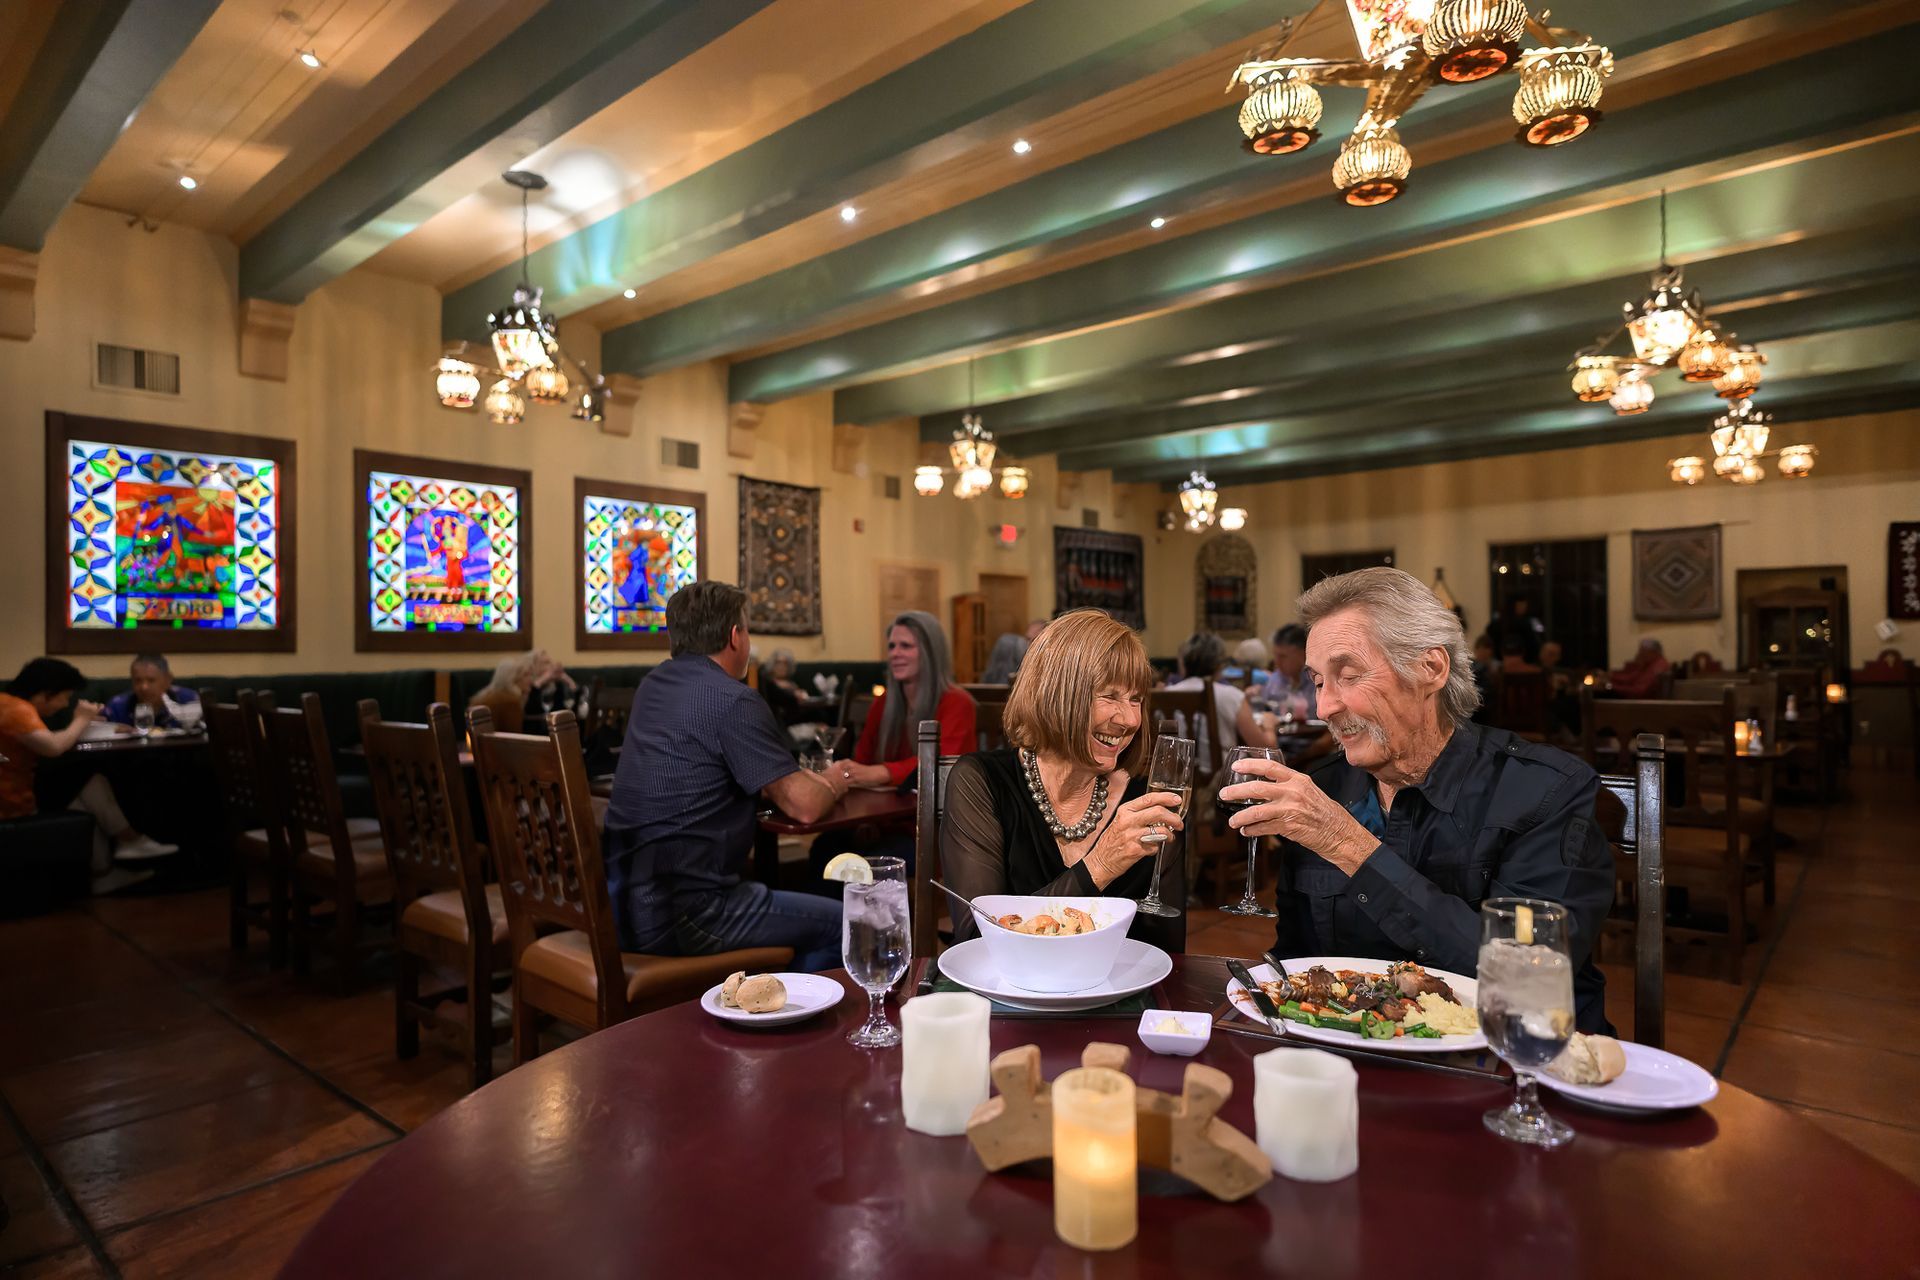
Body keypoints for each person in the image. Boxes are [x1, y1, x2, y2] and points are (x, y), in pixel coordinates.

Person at [1220, 568, 1615, 1033]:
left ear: (1430, 669)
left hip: (1509, 1069)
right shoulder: (1321, 792)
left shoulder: (1546, 792)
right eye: (1318, 682)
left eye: (1348, 676)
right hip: (1349, 1063)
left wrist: (1347, 844)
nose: (1325, 707)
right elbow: (1297, 964)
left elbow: (1526, 979)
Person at [600, 581, 851, 971]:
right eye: (747, 629)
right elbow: (804, 807)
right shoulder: (733, 699)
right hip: (685, 915)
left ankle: (757, 1004)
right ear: (735, 636)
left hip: (619, 908)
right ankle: (782, 1024)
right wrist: (838, 778)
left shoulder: (652, 686)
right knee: (847, 926)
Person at [942, 609, 1188, 952]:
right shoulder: (981, 783)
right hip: (1013, 1001)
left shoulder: (1146, 800)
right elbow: (977, 941)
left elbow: (1169, 953)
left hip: (1123, 1000)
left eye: (1136, 699)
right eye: (1110, 696)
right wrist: (1099, 865)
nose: (1131, 719)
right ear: (1057, 695)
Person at [0, 658, 177, 894]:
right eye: (65, 697)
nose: (64, 705)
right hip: (11, 804)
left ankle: (104, 873)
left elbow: (43, 741)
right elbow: (53, 747)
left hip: (17, 796)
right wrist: (81, 719)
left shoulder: (8, 703)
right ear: (46, 694)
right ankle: (129, 840)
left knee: (82, 792)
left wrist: (83, 726)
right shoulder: (16, 709)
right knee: (87, 774)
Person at [844, 612, 976, 788]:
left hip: (946, 809)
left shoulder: (958, 703)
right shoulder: (882, 702)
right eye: (891, 646)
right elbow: (862, 760)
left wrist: (883, 772)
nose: (894, 654)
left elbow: (940, 764)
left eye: (906, 646)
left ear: (930, 653)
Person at [1167, 632, 1274, 757]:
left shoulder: (1164, 695)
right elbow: (1263, 754)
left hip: (1178, 772)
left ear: (1184, 662)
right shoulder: (1233, 696)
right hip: (1226, 773)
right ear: (1219, 664)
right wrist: (1269, 726)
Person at [1268, 623, 1334, 762]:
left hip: (1315, 754)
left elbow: (1331, 733)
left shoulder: (1319, 681)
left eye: (1283, 656)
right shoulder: (1275, 680)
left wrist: (1299, 760)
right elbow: (1263, 711)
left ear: (1302, 653)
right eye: (1276, 655)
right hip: (1279, 749)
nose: (1277, 662)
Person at [104, 653, 200, 728]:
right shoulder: (117, 707)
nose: (144, 687)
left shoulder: (189, 700)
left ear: (168, 679)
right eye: (138, 680)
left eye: (151, 680)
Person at [469, 654, 538, 733]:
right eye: (526, 675)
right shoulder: (510, 702)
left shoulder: (481, 697)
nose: (531, 680)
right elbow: (514, 737)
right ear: (513, 678)